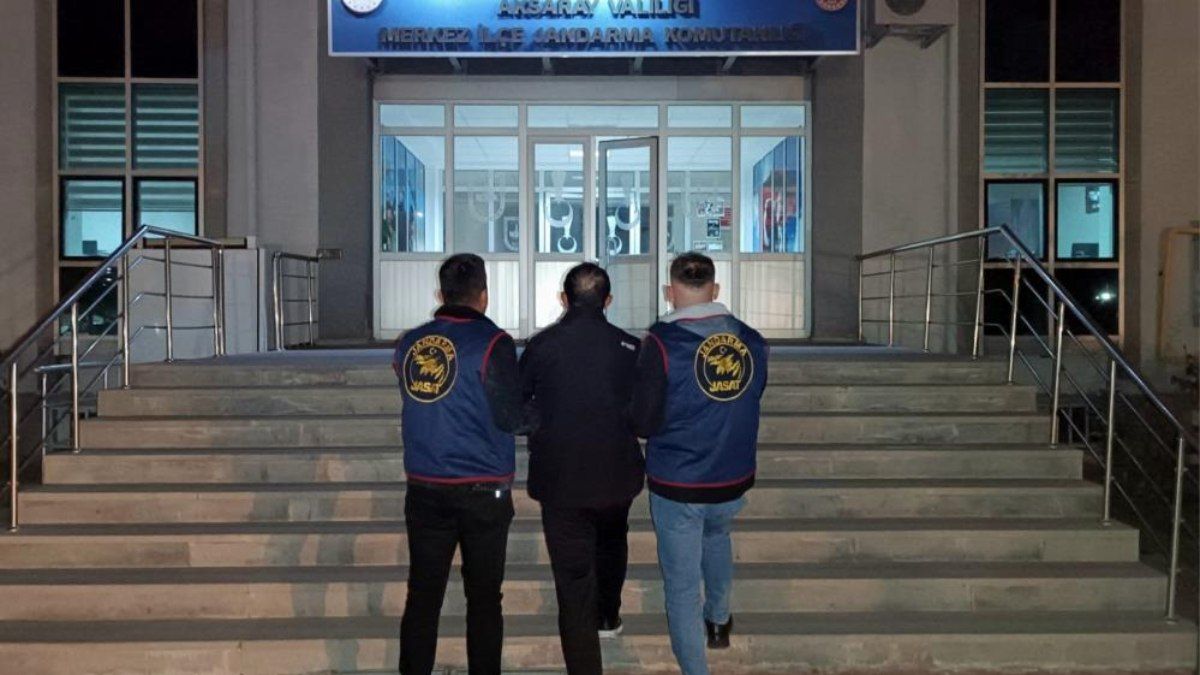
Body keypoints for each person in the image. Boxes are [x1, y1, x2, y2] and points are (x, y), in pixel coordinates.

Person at [394, 253, 534, 675]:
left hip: (425, 485)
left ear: (441, 294)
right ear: (484, 296)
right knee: (485, 599)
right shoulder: (493, 343)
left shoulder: (410, 343)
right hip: (482, 490)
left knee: (423, 597)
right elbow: (512, 418)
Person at [629, 252, 768, 675]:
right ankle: (719, 621)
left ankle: (695, 669)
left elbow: (644, 420)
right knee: (718, 534)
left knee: (682, 585)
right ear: (716, 289)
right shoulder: (752, 340)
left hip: (679, 479)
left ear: (669, 292)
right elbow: (754, 393)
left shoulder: (660, 343)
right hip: (733, 473)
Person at [519, 263, 645, 675]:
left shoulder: (541, 346)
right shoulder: (630, 347)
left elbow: (519, 403)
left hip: (560, 478)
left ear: (564, 299)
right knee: (612, 543)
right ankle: (608, 614)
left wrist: (542, 426)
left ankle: (584, 664)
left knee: (572, 579)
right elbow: (643, 411)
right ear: (608, 301)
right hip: (616, 475)